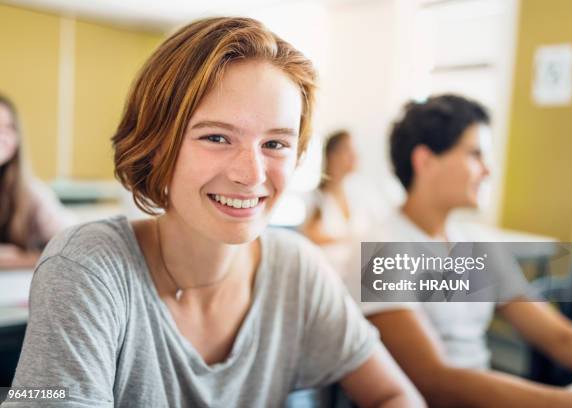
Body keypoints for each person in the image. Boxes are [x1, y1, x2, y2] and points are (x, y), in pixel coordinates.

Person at [3, 18, 424, 407]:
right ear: (157, 144)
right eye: (218, 137)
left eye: (275, 144)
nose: (251, 173)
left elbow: (394, 394)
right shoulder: (88, 267)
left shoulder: (296, 268)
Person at [344, 94, 572, 407]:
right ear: (425, 160)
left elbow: (562, 338)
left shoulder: (477, 244)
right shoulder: (382, 250)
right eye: (475, 154)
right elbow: (434, 381)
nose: (488, 169)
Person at [0, 94, 75, 269]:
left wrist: (19, 259)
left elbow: (71, 243)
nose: (2, 135)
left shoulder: (30, 191)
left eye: (9, 127)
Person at [301, 130, 370, 278]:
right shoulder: (318, 197)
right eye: (348, 150)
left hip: (355, 277)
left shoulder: (358, 195)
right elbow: (311, 235)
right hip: (327, 276)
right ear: (333, 156)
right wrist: (350, 239)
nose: (355, 156)